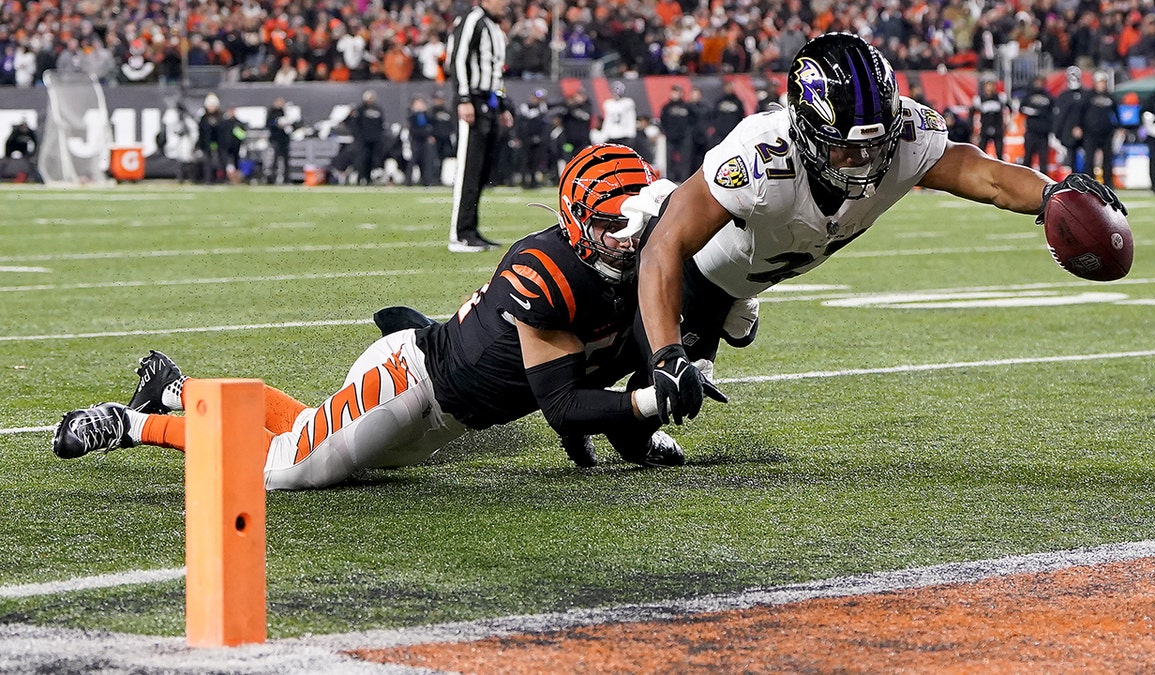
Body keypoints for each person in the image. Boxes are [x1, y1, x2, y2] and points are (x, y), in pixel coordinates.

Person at [51, 145, 719, 488]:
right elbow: (565, 406)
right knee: (286, 469)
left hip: (449, 418)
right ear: (578, 224)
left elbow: (619, 357)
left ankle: (176, 387)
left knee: (310, 431)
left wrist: (640, 433)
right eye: (615, 223)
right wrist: (644, 406)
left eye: (641, 220)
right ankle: (132, 422)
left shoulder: (638, 271)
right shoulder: (543, 273)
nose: (634, 237)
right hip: (412, 383)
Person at [632, 33, 1126, 425]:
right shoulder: (762, 158)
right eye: (846, 149)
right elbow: (665, 246)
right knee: (639, 398)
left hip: (752, 266)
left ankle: (731, 310)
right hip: (688, 269)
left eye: (874, 146)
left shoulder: (905, 137)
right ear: (803, 131)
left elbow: (987, 176)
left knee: (689, 375)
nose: (864, 162)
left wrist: (1049, 193)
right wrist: (667, 353)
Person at [447, 0, 512, 253]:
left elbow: (496, 73)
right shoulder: (473, 20)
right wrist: (463, 98)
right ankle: (459, 234)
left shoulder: (494, 27)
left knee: (481, 171)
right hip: (473, 99)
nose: (505, 3)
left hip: (489, 102)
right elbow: (458, 58)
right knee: (468, 170)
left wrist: (503, 105)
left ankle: (470, 230)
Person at [1077, 72, 1119, 186]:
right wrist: (1078, 126)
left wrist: (1118, 127)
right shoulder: (1088, 96)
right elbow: (1080, 113)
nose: (1102, 85)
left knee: (1108, 160)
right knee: (1089, 159)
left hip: (1106, 133)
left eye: (1103, 83)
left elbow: (1116, 113)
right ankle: (1089, 184)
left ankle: (1108, 185)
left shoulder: (1110, 97)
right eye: (1100, 82)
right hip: (1090, 133)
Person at [348, 89, 385, 185]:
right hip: (363, 140)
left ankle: (368, 179)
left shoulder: (377, 109)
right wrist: (358, 137)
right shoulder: (360, 109)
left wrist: (379, 137)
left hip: (374, 140)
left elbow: (381, 124)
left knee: (372, 159)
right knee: (362, 159)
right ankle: (360, 178)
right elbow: (355, 124)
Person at [1053, 66, 1087, 172]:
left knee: (1088, 160)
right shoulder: (1064, 96)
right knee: (1070, 160)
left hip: (1085, 132)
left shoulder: (1085, 95)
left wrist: (1081, 127)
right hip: (1067, 133)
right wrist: (1056, 133)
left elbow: (1088, 114)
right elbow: (1059, 116)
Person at [1018, 75, 1054, 172]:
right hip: (1031, 132)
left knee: (1043, 160)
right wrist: (1033, 111)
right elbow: (1021, 109)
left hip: (1043, 133)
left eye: (1041, 82)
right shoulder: (1028, 96)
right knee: (1028, 158)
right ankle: (1025, 180)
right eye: (1037, 82)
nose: (1039, 84)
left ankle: (1044, 182)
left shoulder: (1049, 97)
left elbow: (1053, 113)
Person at [659, 85, 693, 182]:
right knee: (670, 160)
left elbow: (693, 121)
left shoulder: (687, 107)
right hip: (670, 137)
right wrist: (666, 132)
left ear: (681, 94)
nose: (675, 95)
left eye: (677, 92)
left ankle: (684, 179)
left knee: (685, 160)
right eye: (674, 92)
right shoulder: (666, 107)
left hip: (684, 137)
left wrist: (688, 132)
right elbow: (662, 121)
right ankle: (671, 180)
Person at [972, 73, 1008, 159]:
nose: (990, 87)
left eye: (992, 84)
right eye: (988, 84)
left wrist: (1007, 123)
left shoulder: (1001, 97)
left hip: (998, 128)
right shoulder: (979, 99)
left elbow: (1009, 110)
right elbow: (972, 114)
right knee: (981, 153)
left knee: (999, 153)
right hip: (984, 128)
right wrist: (973, 130)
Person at [407, 96, 439, 187]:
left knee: (427, 161)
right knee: (413, 160)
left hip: (425, 141)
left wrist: (430, 136)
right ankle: (408, 181)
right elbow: (413, 130)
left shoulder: (427, 115)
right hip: (416, 141)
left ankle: (427, 180)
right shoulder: (412, 116)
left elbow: (432, 125)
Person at [265, 97, 295, 184]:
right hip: (275, 139)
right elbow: (269, 124)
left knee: (286, 160)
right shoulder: (272, 112)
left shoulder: (285, 111)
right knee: (275, 159)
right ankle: (271, 178)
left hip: (284, 139)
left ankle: (286, 178)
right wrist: (277, 124)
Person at [711, 80, 748, 150]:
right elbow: (714, 116)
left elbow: (741, 116)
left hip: (733, 133)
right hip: (720, 134)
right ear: (724, 88)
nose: (729, 88)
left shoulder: (738, 101)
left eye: (731, 86)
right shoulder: (719, 101)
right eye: (727, 86)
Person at [599, 81, 637, 147]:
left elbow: (631, 119)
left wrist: (631, 133)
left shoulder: (628, 103)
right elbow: (608, 120)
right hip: (612, 134)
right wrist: (604, 133)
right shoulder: (608, 103)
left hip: (624, 134)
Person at [197, 93, 224, 184]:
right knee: (207, 163)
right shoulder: (203, 118)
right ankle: (208, 179)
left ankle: (220, 178)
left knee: (219, 161)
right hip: (206, 145)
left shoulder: (220, 117)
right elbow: (201, 133)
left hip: (219, 144)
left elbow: (222, 132)